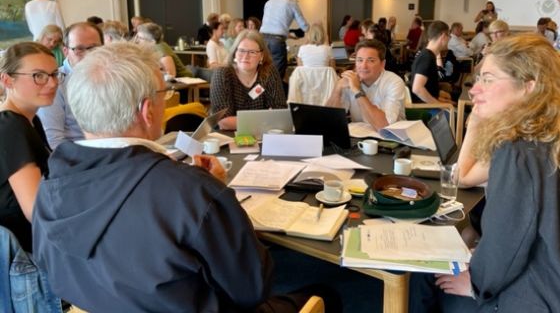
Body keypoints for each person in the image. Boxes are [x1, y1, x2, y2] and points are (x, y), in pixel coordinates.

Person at [31, 42, 334, 312]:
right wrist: (214, 191)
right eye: (165, 93)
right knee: (325, 294)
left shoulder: (50, 184)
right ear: (148, 111)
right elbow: (252, 288)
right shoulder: (191, 191)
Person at [410, 34, 560, 313]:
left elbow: (506, 247)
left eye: (488, 79)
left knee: (425, 280)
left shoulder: (518, 150)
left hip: (532, 301)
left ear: (529, 87)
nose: (474, 90)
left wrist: (476, 283)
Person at [0, 42, 62, 251]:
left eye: (54, 74)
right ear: (7, 80)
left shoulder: (29, 120)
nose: (52, 83)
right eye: (39, 76)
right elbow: (36, 209)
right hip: (26, 255)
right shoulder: (10, 126)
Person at [37, 22, 103, 150]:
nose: (88, 55)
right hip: (79, 159)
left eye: (94, 48)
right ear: (66, 51)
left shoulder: (111, 76)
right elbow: (54, 141)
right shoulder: (54, 84)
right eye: (79, 49)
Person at [210, 30, 286, 130]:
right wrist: (266, 119)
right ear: (235, 53)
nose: (246, 56)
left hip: (262, 137)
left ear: (261, 56)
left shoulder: (269, 72)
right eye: (241, 50)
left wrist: (239, 121)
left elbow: (279, 113)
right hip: (227, 136)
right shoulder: (222, 74)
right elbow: (224, 122)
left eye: (252, 52)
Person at [326, 39, 405, 131]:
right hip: (359, 137)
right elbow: (328, 119)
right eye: (360, 60)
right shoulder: (350, 80)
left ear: (382, 64)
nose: (363, 66)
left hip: (392, 138)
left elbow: (384, 126)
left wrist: (358, 90)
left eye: (370, 60)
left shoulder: (394, 82)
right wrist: (337, 88)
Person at [259, 0, 309, 79]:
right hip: (277, 42)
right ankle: (274, 92)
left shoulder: (268, 2)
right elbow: (304, 26)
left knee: (263, 70)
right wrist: (310, 29)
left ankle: (262, 92)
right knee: (277, 73)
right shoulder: (291, 4)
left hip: (262, 39)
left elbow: (271, 25)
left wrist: (288, 34)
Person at [410, 21, 453, 104]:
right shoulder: (426, 57)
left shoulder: (428, 55)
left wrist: (442, 99)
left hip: (427, 104)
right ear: (443, 36)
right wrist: (438, 104)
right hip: (425, 109)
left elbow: (429, 88)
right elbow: (417, 88)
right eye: (449, 36)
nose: (449, 39)